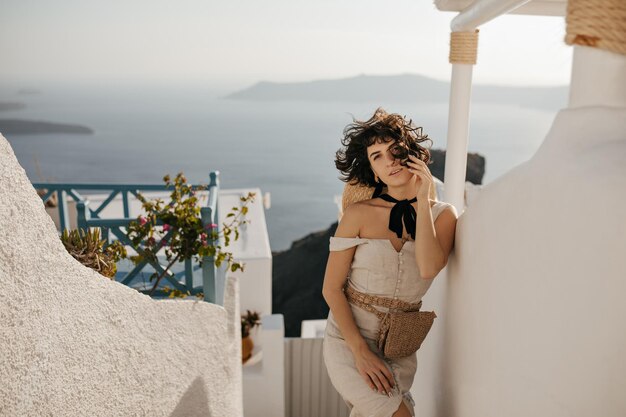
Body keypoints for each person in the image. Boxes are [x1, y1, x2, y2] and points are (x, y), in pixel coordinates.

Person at [322, 108, 458, 417]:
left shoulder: (443, 216)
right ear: (372, 171)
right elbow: (331, 289)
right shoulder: (358, 214)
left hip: (400, 347)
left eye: (395, 150)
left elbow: (428, 268)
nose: (389, 161)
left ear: (413, 154)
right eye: (377, 156)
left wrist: (422, 200)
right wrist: (359, 351)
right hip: (349, 339)